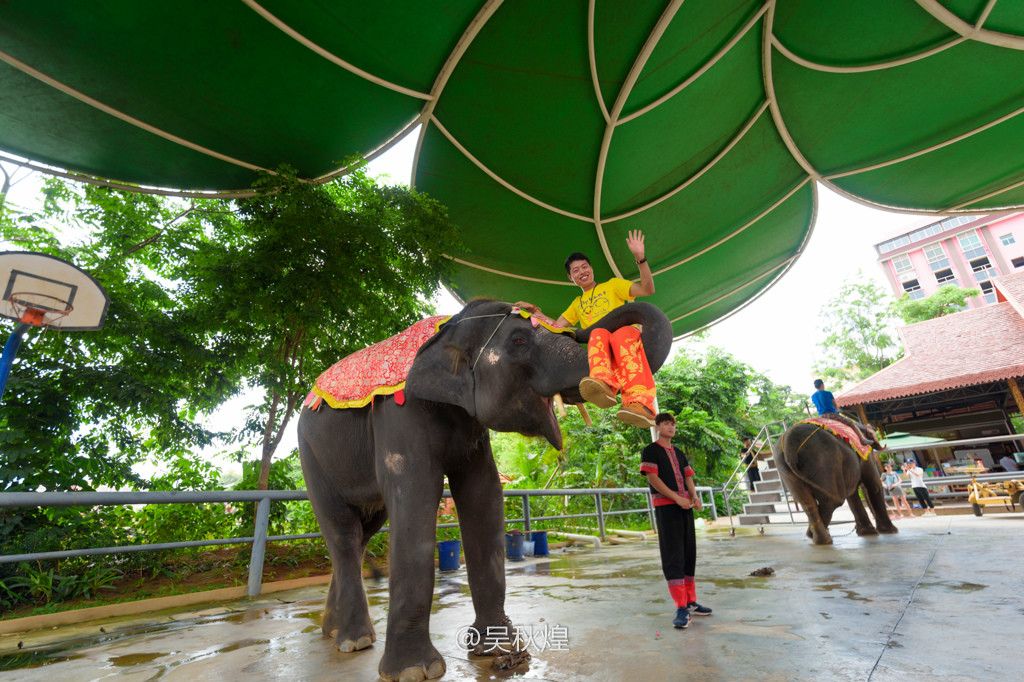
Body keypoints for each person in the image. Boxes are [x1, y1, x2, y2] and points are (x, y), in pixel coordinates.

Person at [517, 229, 657, 428]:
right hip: (602, 347)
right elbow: (556, 326)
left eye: (585, 267)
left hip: (625, 338)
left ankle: (641, 404)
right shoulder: (576, 304)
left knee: (619, 335)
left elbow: (647, 289)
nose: (582, 272)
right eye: (576, 270)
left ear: (591, 268)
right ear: (570, 277)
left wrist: (640, 258)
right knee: (597, 334)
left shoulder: (613, 285)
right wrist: (536, 311)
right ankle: (603, 384)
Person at [640, 412, 711, 630]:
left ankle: (690, 601)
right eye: (666, 423)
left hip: (685, 508)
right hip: (667, 508)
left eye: (673, 424)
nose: (671, 427)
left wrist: (694, 497)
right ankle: (680, 607)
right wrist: (676, 498)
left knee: (689, 554)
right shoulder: (651, 450)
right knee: (673, 556)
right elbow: (653, 478)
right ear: (657, 426)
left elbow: (688, 477)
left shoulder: (678, 452)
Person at [810, 379, 879, 447]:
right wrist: (837, 412)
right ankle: (862, 439)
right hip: (832, 415)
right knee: (851, 424)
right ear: (822, 385)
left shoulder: (813, 396)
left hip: (821, 417)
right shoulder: (828, 393)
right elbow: (835, 405)